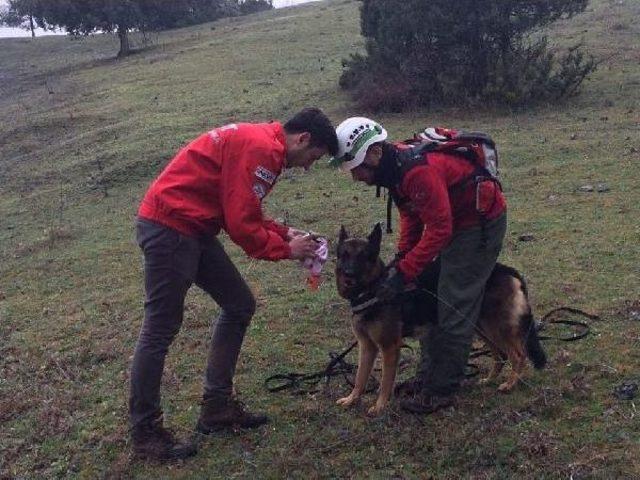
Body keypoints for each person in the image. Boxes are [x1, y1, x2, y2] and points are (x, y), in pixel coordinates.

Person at [130, 108, 338, 461]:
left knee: (239, 304)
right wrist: (287, 250)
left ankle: (217, 407)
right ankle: (145, 432)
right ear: (303, 138)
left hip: (193, 227)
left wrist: (286, 233)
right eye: (312, 158)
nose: (306, 167)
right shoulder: (263, 151)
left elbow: (242, 210)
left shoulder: (261, 141)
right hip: (171, 227)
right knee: (160, 328)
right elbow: (242, 226)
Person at [331, 117, 507, 414]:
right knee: (428, 291)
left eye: (358, 169)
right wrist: (402, 259)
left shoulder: (416, 172)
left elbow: (439, 230)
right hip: (452, 220)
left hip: (478, 223)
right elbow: (412, 216)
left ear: (374, 153)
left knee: (454, 301)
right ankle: (428, 376)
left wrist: (405, 272)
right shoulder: (395, 171)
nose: (356, 177)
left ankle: (441, 390)